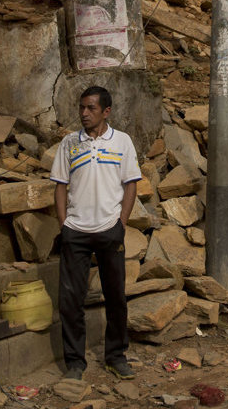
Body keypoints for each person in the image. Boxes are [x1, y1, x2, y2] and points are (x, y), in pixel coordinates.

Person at [50, 86, 142, 381]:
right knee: (70, 301)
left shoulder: (123, 142)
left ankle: (116, 356)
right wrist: (64, 224)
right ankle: (75, 363)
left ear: (106, 111)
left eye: (90, 108)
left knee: (116, 297)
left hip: (109, 231)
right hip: (75, 231)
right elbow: (60, 185)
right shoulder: (68, 143)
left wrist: (121, 224)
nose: (84, 114)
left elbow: (131, 185)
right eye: (81, 108)